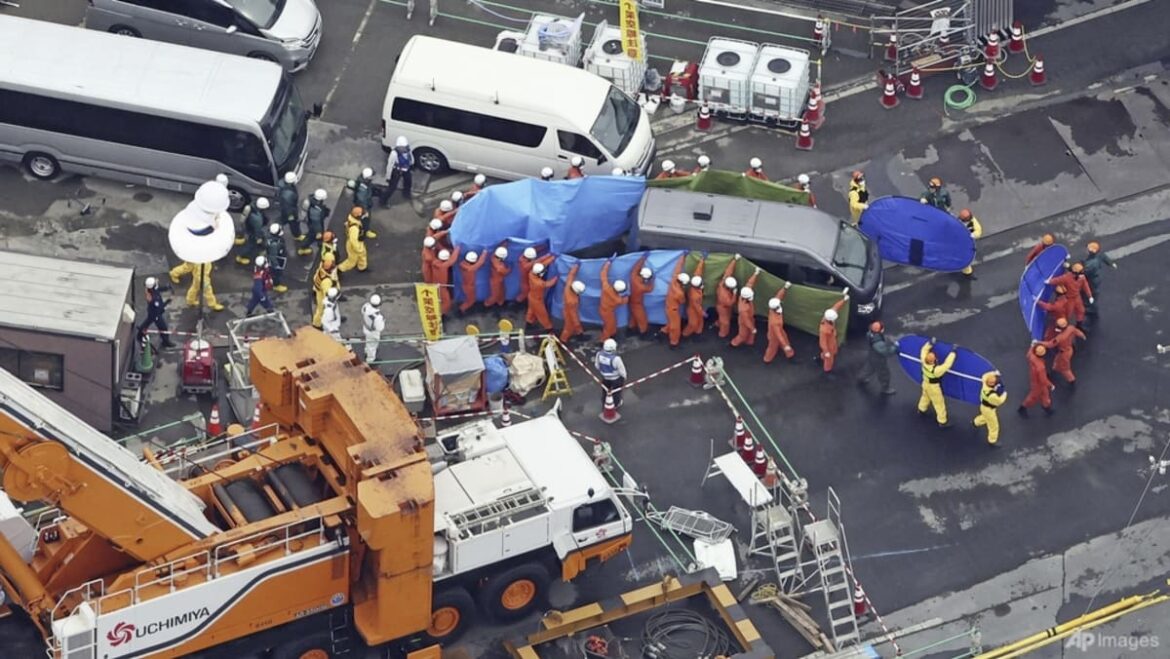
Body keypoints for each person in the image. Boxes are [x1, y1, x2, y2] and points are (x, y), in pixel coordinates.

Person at [917, 337, 957, 428]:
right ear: (933, 361)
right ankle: (942, 421)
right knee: (939, 403)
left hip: (925, 383)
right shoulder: (936, 370)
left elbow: (923, 350)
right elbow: (947, 365)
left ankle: (921, 409)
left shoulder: (923, 361)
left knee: (925, 396)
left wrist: (930, 343)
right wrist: (953, 353)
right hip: (934, 388)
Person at [857, 321, 898, 395]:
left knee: (868, 368)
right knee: (884, 373)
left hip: (872, 356)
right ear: (880, 330)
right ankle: (885, 388)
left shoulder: (870, 334)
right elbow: (885, 351)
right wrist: (895, 348)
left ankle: (861, 378)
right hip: (879, 359)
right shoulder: (877, 341)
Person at [1042, 317, 1085, 385]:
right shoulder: (1071, 328)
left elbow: (1050, 344)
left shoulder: (1059, 338)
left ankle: (1071, 380)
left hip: (1064, 353)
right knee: (1057, 360)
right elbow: (1077, 332)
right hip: (1069, 349)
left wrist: (1039, 343)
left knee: (1065, 369)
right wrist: (1083, 336)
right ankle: (1055, 369)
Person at [137, 277, 175, 348]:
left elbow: (158, 289)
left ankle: (140, 334)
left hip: (152, 312)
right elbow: (160, 307)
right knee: (163, 328)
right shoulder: (154, 298)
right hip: (156, 314)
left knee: (148, 321)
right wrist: (168, 301)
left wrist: (166, 288)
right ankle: (165, 342)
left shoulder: (150, 290)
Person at [817, 288, 850, 373]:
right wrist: (826, 351)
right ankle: (827, 369)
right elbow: (822, 342)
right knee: (829, 358)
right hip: (828, 344)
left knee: (833, 350)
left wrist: (843, 300)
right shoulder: (824, 330)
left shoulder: (828, 316)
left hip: (832, 341)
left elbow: (836, 307)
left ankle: (822, 357)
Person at [1018, 343, 1055, 417]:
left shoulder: (1032, 356)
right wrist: (1050, 385)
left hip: (1034, 379)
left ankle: (1046, 407)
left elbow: (1029, 352)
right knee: (1033, 397)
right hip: (1038, 384)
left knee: (1045, 394)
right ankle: (1023, 408)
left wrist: (1033, 346)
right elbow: (1043, 379)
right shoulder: (1040, 367)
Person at [1082, 241, 1117, 318]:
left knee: (1092, 292)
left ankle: (1091, 308)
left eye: (1088, 249)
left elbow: (1084, 272)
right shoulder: (1099, 255)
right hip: (1096, 276)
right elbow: (1105, 258)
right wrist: (1111, 263)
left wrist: (1072, 269)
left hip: (1093, 279)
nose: (1086, 250)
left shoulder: (1091, 263)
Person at [763, 282, 795, 363]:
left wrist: (785, 288)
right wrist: (784, 345)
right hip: (774, 335)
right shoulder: (775, 321)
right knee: (772, 347)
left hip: (779, 330)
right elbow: (778, 335)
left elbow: (778, 296)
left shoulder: (773, 307)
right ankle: (767, 359)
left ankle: (790, 355)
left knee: (785, 341)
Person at [973, 371, 1007, 447]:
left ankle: (975, 422)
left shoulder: (985, 384)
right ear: (993, 384)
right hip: (989, 410)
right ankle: (992, 440)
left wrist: (994, 373)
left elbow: (984, 376)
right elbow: (999, 401)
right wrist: (1004, 394)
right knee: (994, 426)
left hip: (983, 407)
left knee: (985, 417)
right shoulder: (992, 396)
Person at [730, 269, 761, 348]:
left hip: (750, 318)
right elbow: (746, 321)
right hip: (744, 322)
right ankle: (733, 344)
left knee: (751, 333)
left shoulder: (744, 294)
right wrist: (752, 328)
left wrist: (756, 274)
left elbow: (749, 283)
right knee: (742, 335)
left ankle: (749, 342)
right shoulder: (743, 309)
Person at [599, 259, 629, 343]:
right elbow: (625, 301)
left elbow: (603, 274)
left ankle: (611, 335)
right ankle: (603, 341)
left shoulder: (606, 288)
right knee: (609, 327)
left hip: (604, 309)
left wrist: (608, 263)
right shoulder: (618, 299)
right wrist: (626, 295)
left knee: (612, 325)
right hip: (608, 312)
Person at [525, 258, 559, 330]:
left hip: (531, 296)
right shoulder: (539, 283)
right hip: (537, 300)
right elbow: (550, 283)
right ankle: (549, 328)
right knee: (542, 315)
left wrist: (551, 258)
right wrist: (557, 277)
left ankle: (529, 323)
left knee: (531, 311)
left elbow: (542, 265)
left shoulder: (531, 273)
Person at [662, 258, 688, 348]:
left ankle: (663, 332)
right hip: (673, 310)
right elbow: (683, 301)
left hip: (668, 307)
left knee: (670, 323)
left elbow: (677, 269)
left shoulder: (674, 280)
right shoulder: (679, 293)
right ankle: (674, 342)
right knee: (675, 327)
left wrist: (682, 258)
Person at [594, 338, 628, 407]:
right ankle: (616, 403)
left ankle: (604, 402)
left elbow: (597, 366)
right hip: (616, 379)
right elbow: (622, 371)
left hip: (605, 378)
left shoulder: (599, 354)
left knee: (605, 391)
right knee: (616, 392)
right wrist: (624, 377)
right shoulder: (616, 359)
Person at [237, 197, 269, 265]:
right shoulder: (257, 219)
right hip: (253, 231)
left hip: (249, 227)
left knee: (261, 239)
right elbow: (258, 230)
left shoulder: (252, 207)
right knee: (250, 244)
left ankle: (262, 249)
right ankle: (240, 256)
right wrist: (258, 238)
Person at [382, 136, 414, 204]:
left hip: (406, 169)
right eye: (403, 147)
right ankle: (383, 201)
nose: (404, 148)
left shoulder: (407, 149)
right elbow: (390, 165)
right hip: (397, 171)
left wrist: (411, 164)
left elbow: (410, 157)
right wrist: (388, 177)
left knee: (408, 182)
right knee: (392, 187)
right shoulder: (394, 154)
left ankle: (406, 194)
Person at [348, 167, 378, 239]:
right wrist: (365, 211)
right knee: (365, 220)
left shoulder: (363, 181)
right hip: (364, 206)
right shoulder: (363, 189)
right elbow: (362, 200)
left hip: (363, 203)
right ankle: (365, 231)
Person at [715, 255, 740, 338]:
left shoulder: (723, 282)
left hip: (723, 306)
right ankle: (722, 333)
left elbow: (728, 272)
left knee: (726, 317)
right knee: (725, 322)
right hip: (723, 308)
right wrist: (735, 294)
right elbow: (730, 303)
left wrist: (734, 260)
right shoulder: (724, 295)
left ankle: (717, 323)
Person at [311, 254, 338, 329]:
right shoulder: (326, 281)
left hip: (318, 289)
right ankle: (316, 324)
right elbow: (328, 293)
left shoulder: (322, 266)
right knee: (321, 309)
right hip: (321, 294)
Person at [338, 207, 368, 273]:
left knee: (362, 255)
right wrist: (358, 249)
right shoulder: (354, 228)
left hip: (358, 242)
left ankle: (362, 267)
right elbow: (353, 240)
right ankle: (339, 269)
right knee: (352, 261)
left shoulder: (352, 219)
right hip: (354, 245)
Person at [561, 265, 585, 343]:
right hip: (569, 314)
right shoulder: (572, 300)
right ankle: (563, 340)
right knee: (568, 328)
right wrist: (577, 323)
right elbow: (573, 315)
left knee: (572, 327)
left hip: (567, 310)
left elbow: (571, 275)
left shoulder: (568, 286)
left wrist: (576, 266)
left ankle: (579, 333)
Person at [683, 255, 706, 338]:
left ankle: (698, 334)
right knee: (693, 324)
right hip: (693, 309)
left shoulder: (695, 282)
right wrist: (702, 312)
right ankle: (685, 335)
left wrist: (702, 260)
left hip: (697, 307)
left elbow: (698, 271)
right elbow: (697, 307)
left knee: (700, 322)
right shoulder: (694, 295)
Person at [301, 189, 329, 257]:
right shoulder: (315, 211)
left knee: (312, 234)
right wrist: (318, 232)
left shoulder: (312, 202)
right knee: (312, 236)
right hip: (315, 225)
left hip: (312, 222)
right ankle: (303, 247)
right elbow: (316, 223)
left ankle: (319, 242)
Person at [957, 208, 983, 279]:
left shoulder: (973, 222)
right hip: (958, 242)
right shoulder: (957, 222)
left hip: (967, 244)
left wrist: (972, 235)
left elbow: (978, 231)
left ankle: (968, 273)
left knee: (966, 258)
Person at [433, 247, 460, 314]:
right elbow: (453, 260)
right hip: (442, 287)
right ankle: (441, 314)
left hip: (435, 283)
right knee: (447, 302)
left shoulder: (435, 262)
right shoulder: (444, 266)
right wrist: (457, 249)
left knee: (440, 299)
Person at [361, 294, 385, 363]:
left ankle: (366, 351)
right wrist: (383, 321)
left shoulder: (366, 306)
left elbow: (362, 312)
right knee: (372, 346)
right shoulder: (378, 317)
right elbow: (380, 328)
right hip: (372, 332)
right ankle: (370, 360)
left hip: (366, 328)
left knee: (368, 342)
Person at [265, 223, 289, 293]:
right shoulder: (274, 244)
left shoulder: (271, 238)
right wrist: (276, 265)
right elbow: (273, 256)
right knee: (276, 273)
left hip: (276, 256)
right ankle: (276, 285)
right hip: (276, 260)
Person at [276, 171, 299, 241]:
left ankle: (277, 227)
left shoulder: (283, 184)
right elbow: (288, 207)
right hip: (290, 211)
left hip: (285, 208)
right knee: (293, 223)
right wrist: (290, 215)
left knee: (283, 219)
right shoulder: (288, 195)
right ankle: (296, 235)